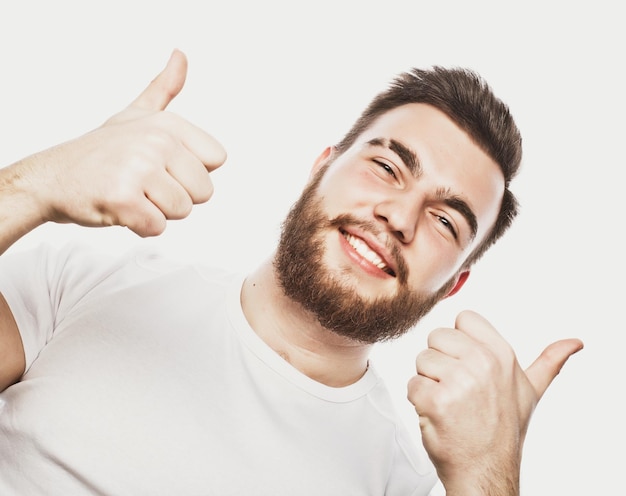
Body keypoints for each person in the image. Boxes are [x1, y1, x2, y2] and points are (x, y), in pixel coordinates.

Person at [0, 49, 582, 495]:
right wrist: (33, 187)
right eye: (385, 167)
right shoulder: (82, 283)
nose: (399, 217)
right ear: (319, 170)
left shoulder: (395, 481)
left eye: (445, 222)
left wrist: (487, 473)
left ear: (452, 285)